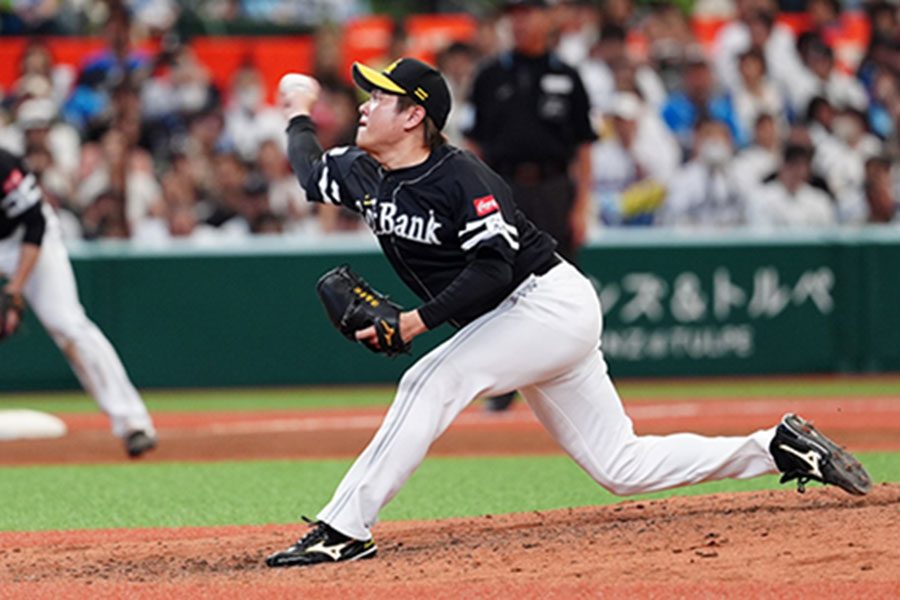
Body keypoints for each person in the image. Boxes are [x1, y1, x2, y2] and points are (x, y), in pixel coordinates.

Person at [264, 58, 872, 568]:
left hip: (547, 305)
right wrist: (297, 111)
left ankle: (344, 528)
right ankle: (778, 446)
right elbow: (311, 171)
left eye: (380, 96)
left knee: (429, 380)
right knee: (622, 466)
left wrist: (416, 322)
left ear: (414, 116)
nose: (365, 104)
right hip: (514, 325)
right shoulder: (364, 173)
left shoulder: (461, 176)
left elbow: (493, 269)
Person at [464, 0, 597, 411]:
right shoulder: (489, 75)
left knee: (563, 285)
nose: (521, 21)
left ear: (547, 18)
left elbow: (584, 147)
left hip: (554, 186)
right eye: (514, 14)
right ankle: (503, 385)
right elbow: (473, 142)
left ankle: (571, 383)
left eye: (528, 12)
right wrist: (476, 197)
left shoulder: (567, 76)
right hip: (503, 185)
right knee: (502, 283)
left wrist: (581, 206)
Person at [0, 147, 157, 457]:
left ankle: (132, 423)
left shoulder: (3, 165)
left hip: (25, 239)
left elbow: (34, 224)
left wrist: (14, 290)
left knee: (67, 325)